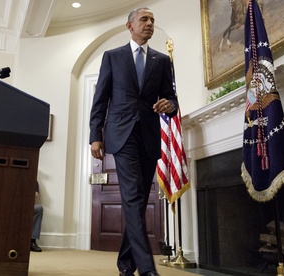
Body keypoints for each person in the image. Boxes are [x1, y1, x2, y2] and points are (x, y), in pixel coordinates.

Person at [89, 7, 178, 276]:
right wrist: (95, 136)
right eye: (144, 19)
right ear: (130, 26)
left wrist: (169, 105)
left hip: (149, 135)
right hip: (121, 134)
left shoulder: (162, 61)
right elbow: (100, 99)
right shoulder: (112, 57)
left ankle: (126, 264)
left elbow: (172, 98)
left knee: (138, 201)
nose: (150, 24)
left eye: (152, 20)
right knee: (132, 196)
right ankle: (147, 268)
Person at [31, 181, 43, 252]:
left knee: (38, 209)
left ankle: (32, 241)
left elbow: (35, 195)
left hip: (27, 206)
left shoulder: (33, 180)